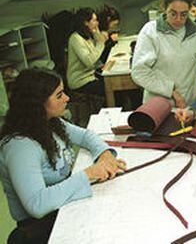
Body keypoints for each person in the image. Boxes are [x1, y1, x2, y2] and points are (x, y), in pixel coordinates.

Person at [0, 68, 126, 243]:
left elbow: (85, 136)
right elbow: (37, 204)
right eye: (59, 95)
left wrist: (105, 155)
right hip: (44, 226)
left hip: (62, 208)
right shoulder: (20, 146)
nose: (67, 98)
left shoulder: (50, 122)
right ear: (37, 103)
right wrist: (88, 174)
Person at [131, 0, 196, 108]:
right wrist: (171, 90)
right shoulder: (151, 32)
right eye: (173, 14)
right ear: (164, 9)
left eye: (184, 14)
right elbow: (139, 72)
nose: (178, 19)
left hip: (188, 104)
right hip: (158, 105)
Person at [66, 7, 118, 96]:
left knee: (115, 83)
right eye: (94, 20)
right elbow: (89, 61)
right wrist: (101, 43)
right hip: (80, 82)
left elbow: (96, 52)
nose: (97, 23)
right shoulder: (75, 38)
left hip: (90, 76)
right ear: (86, 22)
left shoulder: (87, 36)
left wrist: (96, 32)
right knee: (113, 89)